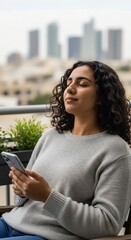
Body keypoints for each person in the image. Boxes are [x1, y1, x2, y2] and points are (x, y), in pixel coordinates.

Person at [0, 60, 131, 240]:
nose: (70, 88)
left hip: (50, 236)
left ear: (102, 96)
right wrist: (22, 189)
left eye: (82, 84)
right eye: (68, 83)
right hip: (9, 224)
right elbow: (20, 202)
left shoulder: (116, 151)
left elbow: (108, 223)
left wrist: (47, 196)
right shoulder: (50, 136)